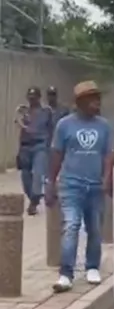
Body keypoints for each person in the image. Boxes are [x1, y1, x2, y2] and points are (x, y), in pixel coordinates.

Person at [46, 81, 113, 293]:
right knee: (71, 226)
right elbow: (57, 154)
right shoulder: (64, 125)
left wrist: (106, 179)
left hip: (95, 186)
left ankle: (92, 266)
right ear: (80, 102)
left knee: (94, 228)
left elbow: (108, 155)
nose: (97, 103)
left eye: (98, 98)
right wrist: (50, 183)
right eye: (92, 99)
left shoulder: (104, 126)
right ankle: (66, 273)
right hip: (70, 184)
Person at [17, 86, 54, 215]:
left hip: (40, 145)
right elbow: (20, 126)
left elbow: (51, 129)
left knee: (38, 174)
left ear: (39, 98)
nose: (32, 100)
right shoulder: (23, 111)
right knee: (25, 176)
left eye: (34, 97)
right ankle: (33, 197)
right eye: (30, 97)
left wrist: (50, 146)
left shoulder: (46, 111)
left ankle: (35, 200)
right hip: (26, 147)